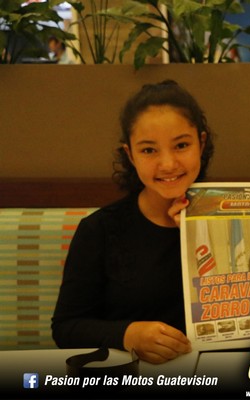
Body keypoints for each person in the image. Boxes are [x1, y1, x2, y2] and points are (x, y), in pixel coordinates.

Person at [51, 80, 215, 364]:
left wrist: (198, 237)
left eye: (181, 145)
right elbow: (66, 328)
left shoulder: (233, 218)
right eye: (149, 150)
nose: (168, 164)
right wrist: (127, 335)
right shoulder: (99, 230)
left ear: (200, 144)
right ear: (130, 155)